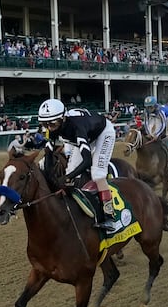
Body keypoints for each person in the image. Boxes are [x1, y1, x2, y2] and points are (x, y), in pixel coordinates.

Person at [37, 98, 117, 232]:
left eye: (52, 123)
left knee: (97, 174)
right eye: (45, 124)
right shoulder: (53, 128)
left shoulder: (76, 127)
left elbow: (87, 161)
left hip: (103, 133)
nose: (49, 127)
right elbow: (48, 154)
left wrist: (68, 177)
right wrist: (50, 176)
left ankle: (109, 216)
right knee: (70, 169)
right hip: (85, 136)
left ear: (62, 119)